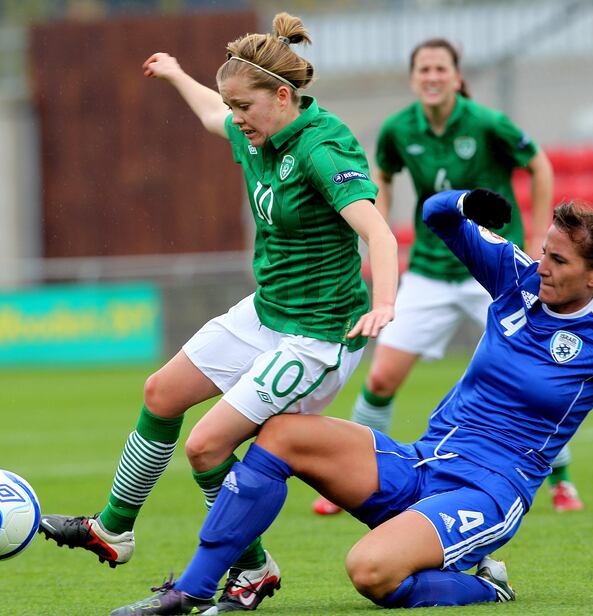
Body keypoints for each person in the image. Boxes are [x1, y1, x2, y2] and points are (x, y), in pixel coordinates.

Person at [109, 188, 593, 614]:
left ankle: (483, 582)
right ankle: (191, 591)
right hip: (420, 462)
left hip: (487, 492)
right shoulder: (516, 279)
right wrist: (465, 200)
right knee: (278, 431)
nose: (543, 266)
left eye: (559, 262)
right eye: (545, 252)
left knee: (370, 572)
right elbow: (437, 216)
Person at [38, 11, 398, 613]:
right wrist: (178, 73)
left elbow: (378, 234)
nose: (234, 118)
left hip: (316, 338)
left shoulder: (321, 145)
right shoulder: (254, 126)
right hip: (266, 314)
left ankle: (253, 572)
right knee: (161, 393)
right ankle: (114, 528)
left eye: (244, 107)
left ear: (282, 97)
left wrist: (385, 301)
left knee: (206, 448)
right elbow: (211, 112)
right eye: (232, 105)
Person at [314, 37, 581, 516]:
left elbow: (538, 163)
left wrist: (543, 233)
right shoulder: (398, 129)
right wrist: (380, 232)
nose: (432, 77)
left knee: (534, 378)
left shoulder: (486, 123)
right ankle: (346, 481)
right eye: (424, 70)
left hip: (498, 275)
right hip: (431, 272)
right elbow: (385, 180)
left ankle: (562, 482)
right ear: (413, 78)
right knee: (380, 379)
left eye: (441, 69)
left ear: (456, 77)